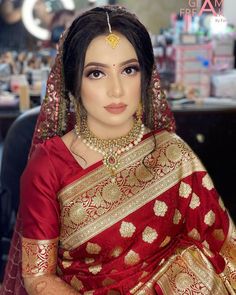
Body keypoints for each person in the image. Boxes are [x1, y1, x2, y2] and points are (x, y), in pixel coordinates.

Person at [1, 5, 236, 295]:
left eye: (128, 70)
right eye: (96, 73)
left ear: (146, 77)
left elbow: (225, 251)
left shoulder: (173, 154)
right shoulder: (48, 166)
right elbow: (38, 279)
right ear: (73, 83)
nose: (117, 90)